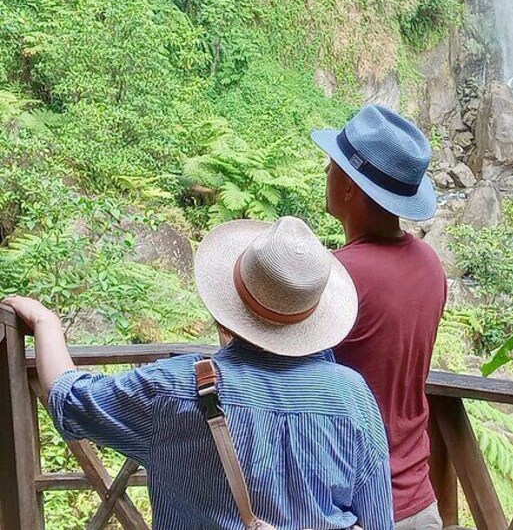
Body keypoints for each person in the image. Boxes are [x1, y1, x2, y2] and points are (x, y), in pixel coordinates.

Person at [3, 217, 394, 529]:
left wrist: (45, 322)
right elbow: (378, 519)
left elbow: (69, 400)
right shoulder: (352, 395)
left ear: (225, 314)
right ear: (311, 318)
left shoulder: (175, 387)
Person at [312, 105, 447, 529]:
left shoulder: (340, 277)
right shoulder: (430, 264)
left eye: (332, 165)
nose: (326, 173)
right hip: (419, 503)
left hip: (352, 506)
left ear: (351, 187)